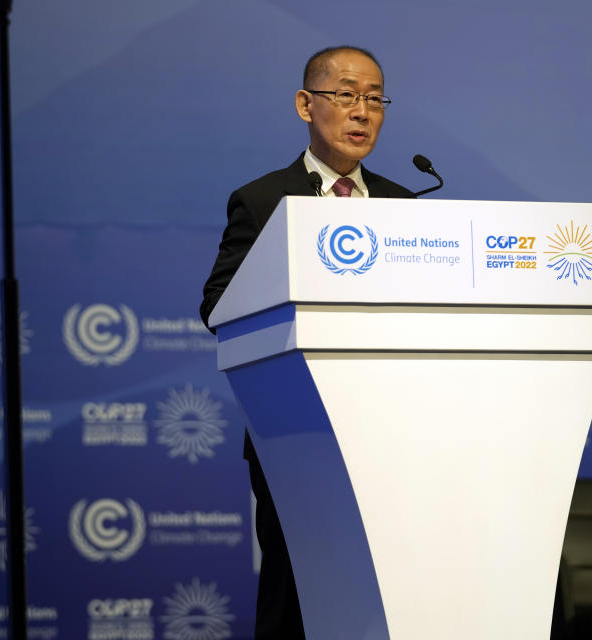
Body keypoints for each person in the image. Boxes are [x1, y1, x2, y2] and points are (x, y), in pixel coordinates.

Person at [199, 46, 414, 639]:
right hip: (297, 433)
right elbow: (217, 305)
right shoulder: (265, 199)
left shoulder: (404, 205)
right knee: (295, 592)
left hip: (391, 433)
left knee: (386, 590)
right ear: (306, 104)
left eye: (374, 98)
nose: (362, 112)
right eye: (346, 95)